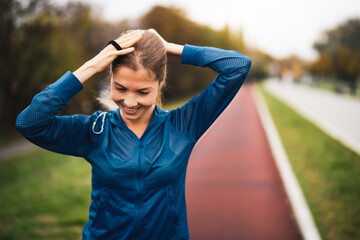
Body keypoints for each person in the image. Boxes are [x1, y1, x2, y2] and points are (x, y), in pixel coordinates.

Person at [15, 29, 251, 240]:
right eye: (120, 88)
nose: (129, 102)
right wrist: (93, 65)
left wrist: (167, 47)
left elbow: (237, 65)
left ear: (160, 83)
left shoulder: (183, 125)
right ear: (110, 80)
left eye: (142, 91)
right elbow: (30, 122)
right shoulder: (95, 131)